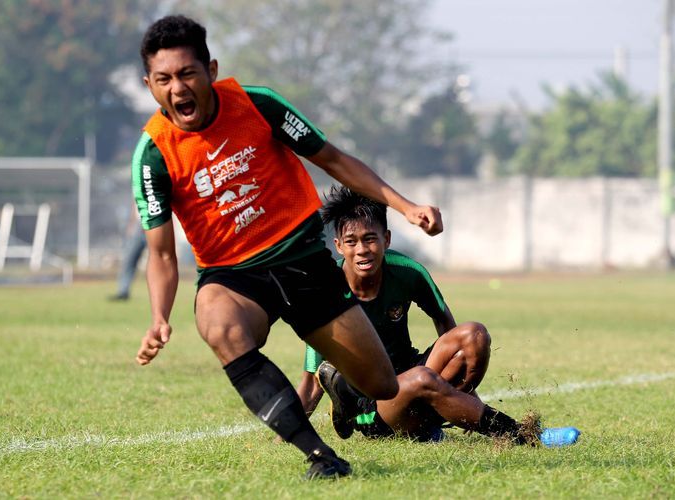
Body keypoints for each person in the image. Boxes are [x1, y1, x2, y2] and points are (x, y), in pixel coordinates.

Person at [132, 15, 444, 480]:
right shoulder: (153, 154)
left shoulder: (257, 106)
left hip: (304, 262)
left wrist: (403, 205)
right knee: (220, 325)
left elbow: (334, 159)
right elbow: (159, 253)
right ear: (150, 84)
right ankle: (321, 457)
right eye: (164, 79)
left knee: (380, 385)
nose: (177, 88)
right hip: (234, 276)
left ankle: (339, 389)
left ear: (211, 70)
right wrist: (159, 316)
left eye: (187, 73)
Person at [297, 186, 580, 447]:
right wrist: (290, 432)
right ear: (338, 245)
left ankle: (431, 421)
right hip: (374, 407)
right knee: (422, 378)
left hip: (413, 373)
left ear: (386, 239)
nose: (362, 250)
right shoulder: (326, 292)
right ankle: (528, 436)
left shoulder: (407, 271)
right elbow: (313, 378)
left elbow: (445, 324)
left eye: (370, 239)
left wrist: (468, 396)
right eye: (352, 242)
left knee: (474, 334)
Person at [109, 202, 147, 301]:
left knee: (159, 260)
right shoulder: (137, 187)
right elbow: (135, 203)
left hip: (156, 223)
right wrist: (132, 224)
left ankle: (162, 296)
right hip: (139, 227)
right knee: (128, 260)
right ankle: (123, 291)